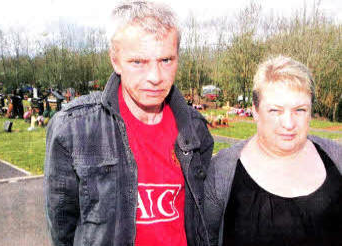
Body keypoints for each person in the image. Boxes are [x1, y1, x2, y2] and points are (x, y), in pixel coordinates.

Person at [44, 1, 214, 245]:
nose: (155, 77)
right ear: (116, 61)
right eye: (138, 62)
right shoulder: (73, 129)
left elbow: (199, 219)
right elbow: (62, 229)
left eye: (166, 60)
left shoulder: (195, 129)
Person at [204, 55, 342, 246]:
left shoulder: (337, 159)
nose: (288, 123)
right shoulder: (221, 173)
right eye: (275, 110)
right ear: (255, 111)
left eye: (300, 110)